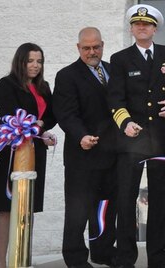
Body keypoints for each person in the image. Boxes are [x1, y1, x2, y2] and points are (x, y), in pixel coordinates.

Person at [106, 4, 165, 268]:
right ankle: (126, 259)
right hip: (131, 138)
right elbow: (114, 98)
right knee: (126, 200)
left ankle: (158, 259)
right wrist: (125, 123)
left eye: (146, 24)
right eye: (137, 24)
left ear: (155, 28)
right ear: (131, 28)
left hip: (161, 137)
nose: (141, 27)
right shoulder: (120, 59)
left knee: (160, 200)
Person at [53, 27, 118, 268]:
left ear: (103, 44)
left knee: (106, 208)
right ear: (78, 48)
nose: (92, 52)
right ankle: (75, 258)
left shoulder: (113, 70)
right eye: (86, 48)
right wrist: (81, 136)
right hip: (82, 156)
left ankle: (102, 251)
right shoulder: (67, 75)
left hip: (111, 154)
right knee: (78, 211)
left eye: (96, 47)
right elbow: (66, 113)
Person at [0, 42, 57, 268]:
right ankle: (1, 262)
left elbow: (51, 116)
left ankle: (21, 259)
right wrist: (38, 125)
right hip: (12, 149)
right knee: (6, 209)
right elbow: (11, 115)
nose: (35, 65)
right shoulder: (6, 84)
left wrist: (40, 127)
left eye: (39, 61)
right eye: (30, 61)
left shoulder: (44, 87)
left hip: (34, 152)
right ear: (20, 61)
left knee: (26, 208)